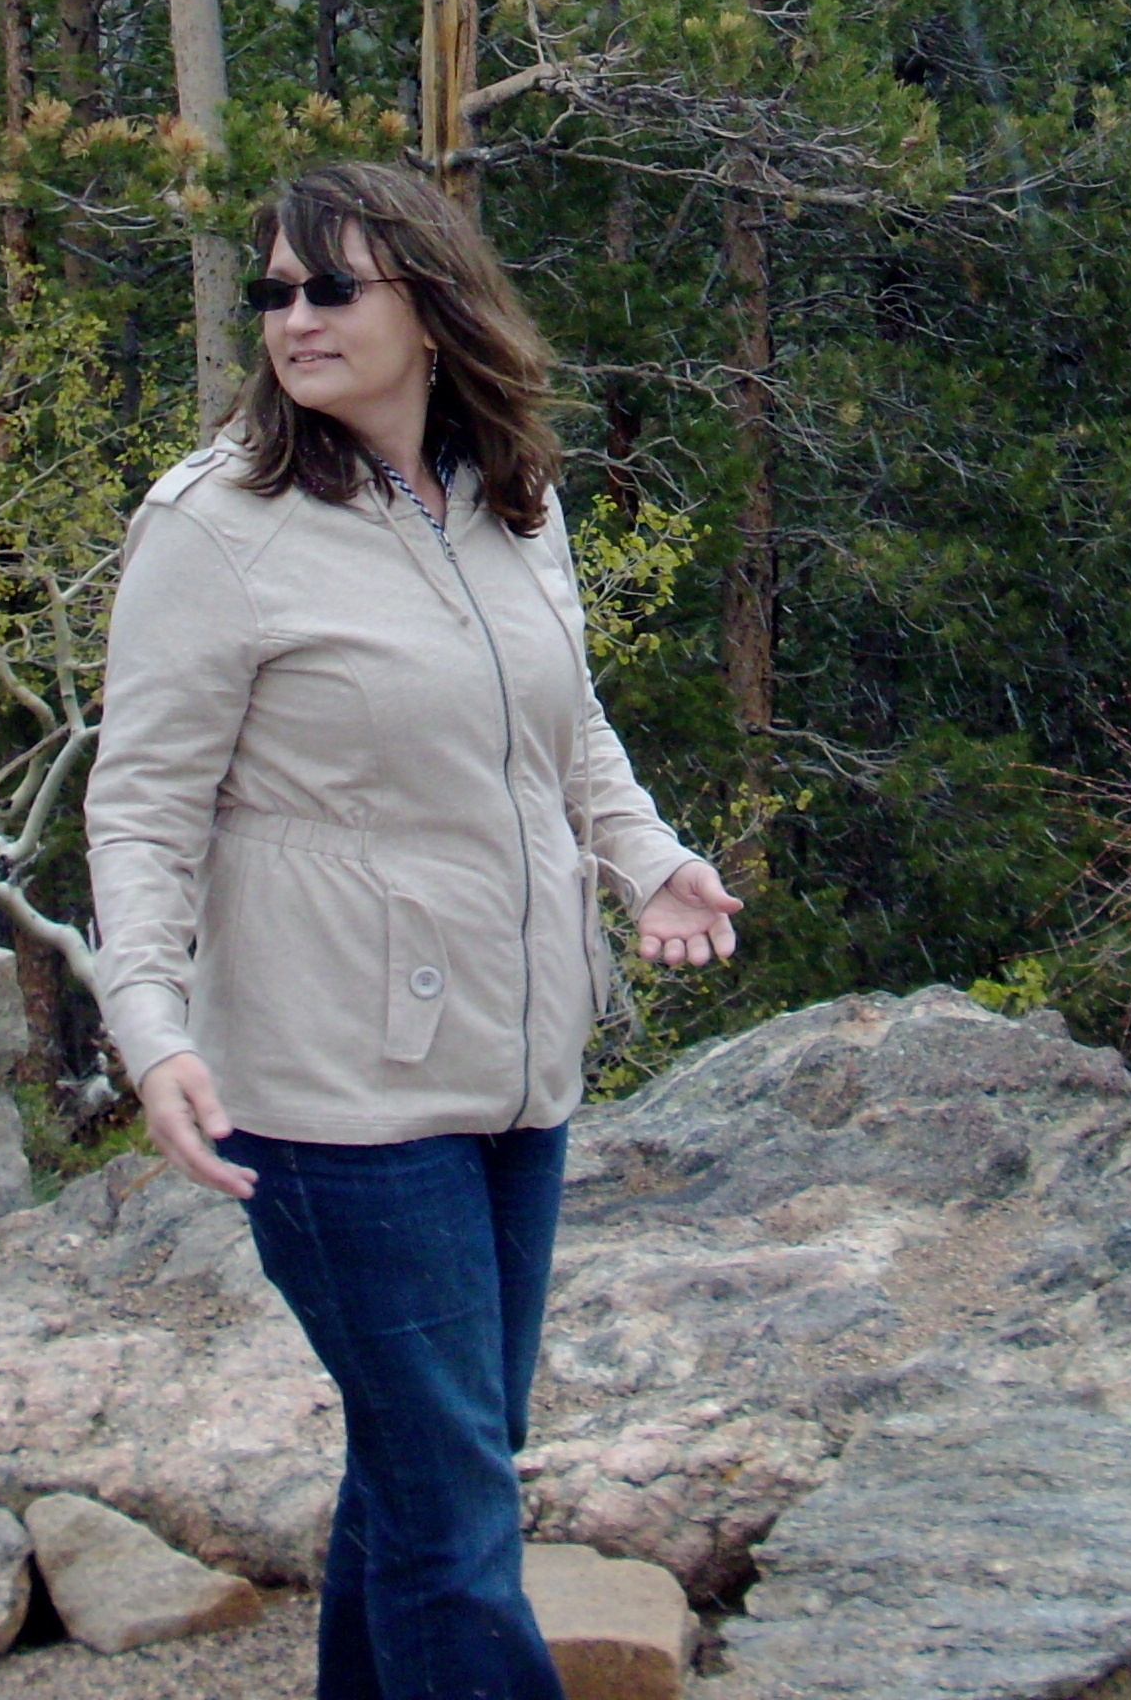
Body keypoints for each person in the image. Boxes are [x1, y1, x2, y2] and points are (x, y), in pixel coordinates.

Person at [85, 160, 742, 1700]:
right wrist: (152, 1028)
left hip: (515, 1065)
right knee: (453, 1508)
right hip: (332, 1088)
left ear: (434, 310)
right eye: (276, 291)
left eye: (333, 287)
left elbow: (568, 727)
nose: (294, 317)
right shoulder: (215, 527)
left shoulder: (510, 500)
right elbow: (142, 807)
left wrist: (645, 859)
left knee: (432, 1460)